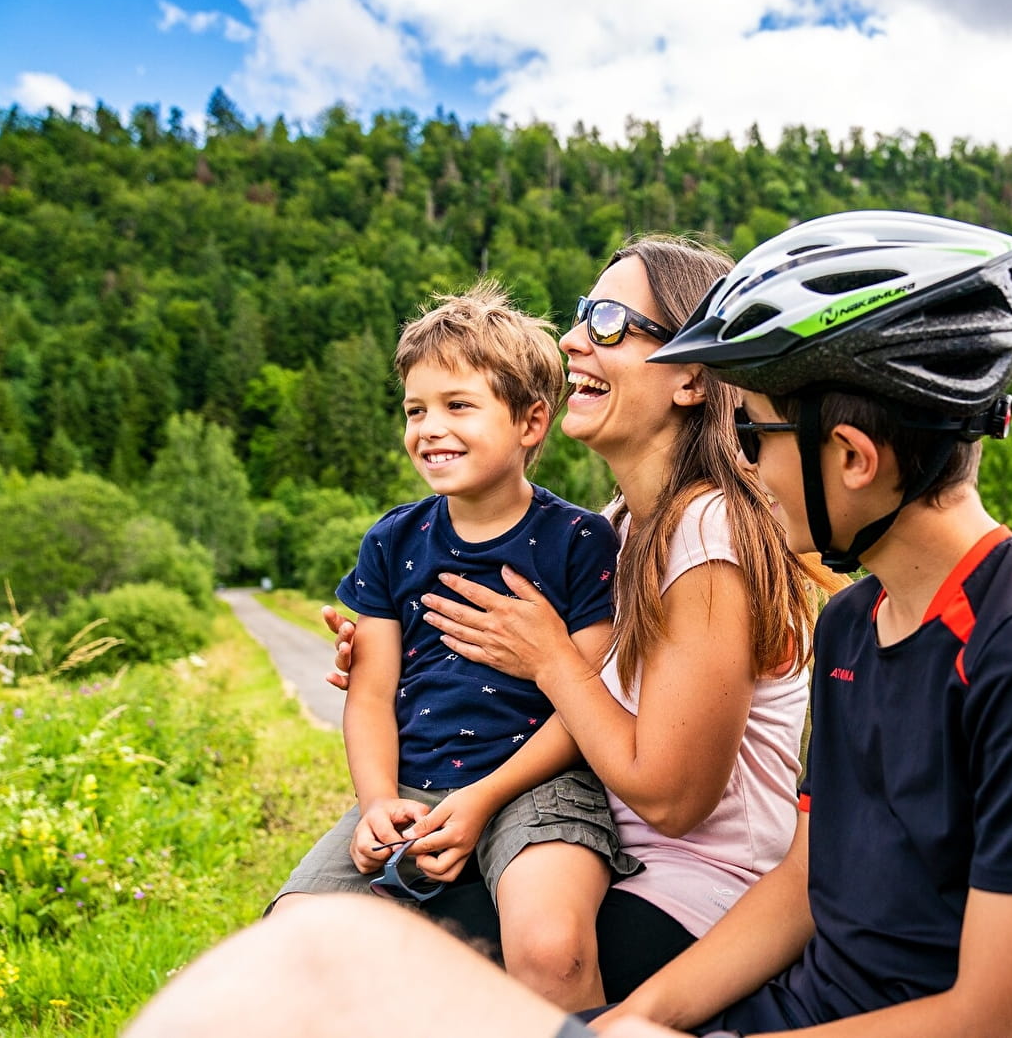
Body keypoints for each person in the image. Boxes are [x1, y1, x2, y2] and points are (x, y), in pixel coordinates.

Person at [125, 212, 1012, 1038]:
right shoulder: (847, 622)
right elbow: (809, 876)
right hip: (741, 970)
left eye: (758, 433)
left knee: (322, 971)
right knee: (311, 957)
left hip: (709, 914)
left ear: (851, 458)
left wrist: (547, 664)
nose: (746, 462)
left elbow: (1006, 1015)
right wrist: (638, 1019)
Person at [327, 235, 840, 1000]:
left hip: (689, 886)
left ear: (692, 377)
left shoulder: (710, 534)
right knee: (337, 938)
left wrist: (549, 660)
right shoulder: (622, 525)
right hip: (592, 849)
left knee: (383, 968)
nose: (571, 340)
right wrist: (413, 659)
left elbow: (671, 800)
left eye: (608, 323)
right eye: (580, 316)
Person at [270, 280, 634, 1010]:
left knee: (550, 950)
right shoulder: (392, 541)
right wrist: (377, 802)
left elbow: (587, 697)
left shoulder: (579, 540)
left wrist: (482, 799)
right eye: (415, 410)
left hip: (538, 786)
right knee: (290, 938)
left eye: (458, 405)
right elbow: (370, 695)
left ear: (531, 421)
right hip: (410, 783)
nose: (429, 428)